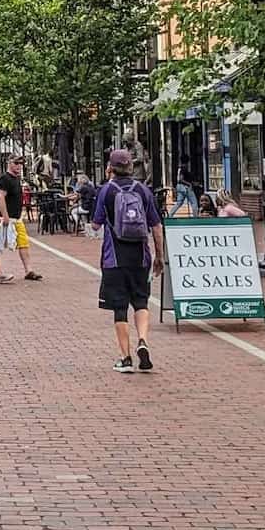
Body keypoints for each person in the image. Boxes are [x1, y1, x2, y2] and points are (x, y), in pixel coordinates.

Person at [92, 148, 164, 374]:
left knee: (120, 308)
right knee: (141, 302)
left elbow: (95, 224)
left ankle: (125, 358)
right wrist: (159, 255)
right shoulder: (143, 190)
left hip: (114, 259)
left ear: (110, 168)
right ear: (131, 167)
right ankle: (143, 339)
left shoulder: (106, 191)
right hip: (141, 257)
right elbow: (156, 226)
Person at [0, 154, 43, 281]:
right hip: (4, 219)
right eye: (16, 163)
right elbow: (0, 197)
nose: (19, 166)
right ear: (9, 163)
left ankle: (28, 270)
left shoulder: (17, 179)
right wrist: (4, 216)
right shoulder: (4, 179)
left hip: (17, 218)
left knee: (23, 243)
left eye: (21, 164)